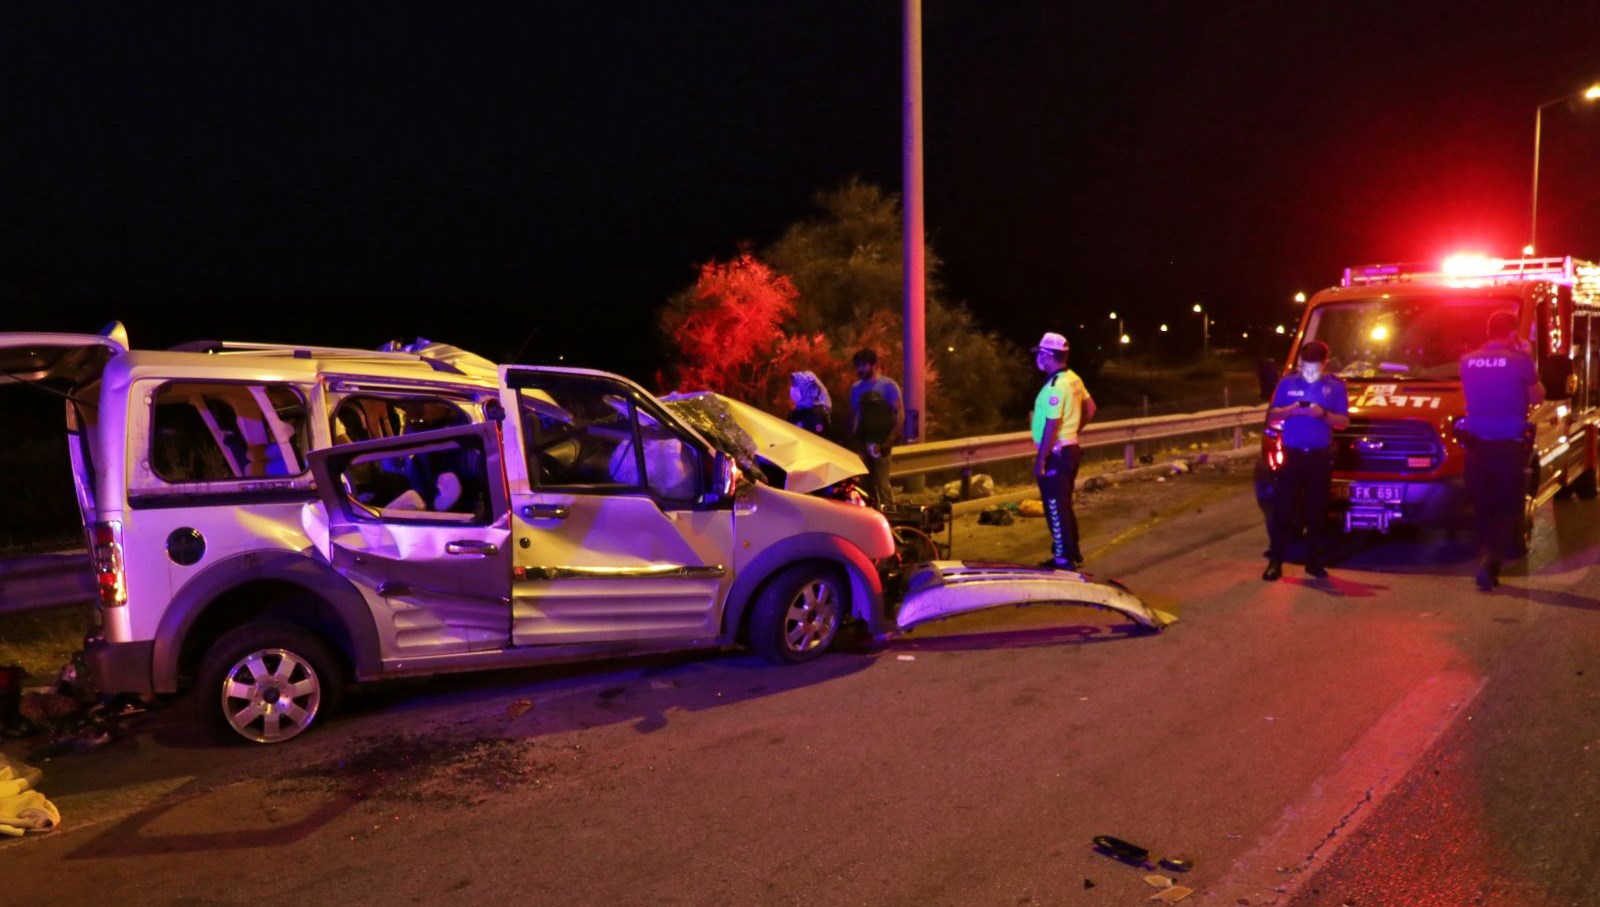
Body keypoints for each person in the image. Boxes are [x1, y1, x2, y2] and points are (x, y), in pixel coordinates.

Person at [1459, 310, 1541, 591]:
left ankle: (1484, 555)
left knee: (1483, 506)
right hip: (1509, 445)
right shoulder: (1519, 361)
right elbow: (1537, 395)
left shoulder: (1467, 361)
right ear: (1512, 333)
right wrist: (1527, 354)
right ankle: (1492, 561)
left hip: (1476, 446)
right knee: (1508, 507)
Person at [1263, 339, 1349, 581]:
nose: (1309, 373)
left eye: (1314, 369)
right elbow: (1271, 416)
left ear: (1324, 364)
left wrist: (1322, 414)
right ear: (1300, 363)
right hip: (1292, 457)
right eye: (1305, 367)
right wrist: (1288, 410)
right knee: (1283, 510)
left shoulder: (1335, 387)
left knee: (1317, 512)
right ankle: (1275, 561)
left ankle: (1314, 561)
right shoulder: (1287, 383)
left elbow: (1343, 422)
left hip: (1319, 459)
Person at [1031, 332, 1096, 570]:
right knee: (1063, 505)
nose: (1037, 358)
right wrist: (1074, 430)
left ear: (1048, 356)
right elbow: (1090, 407)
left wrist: (1041, 459)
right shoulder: (1074, 379)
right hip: (1070, 449)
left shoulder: (1055, 387)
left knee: (1055, 507)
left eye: (1040, 354)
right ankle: (1071, 552)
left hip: (1057, 454)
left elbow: (1052, 424)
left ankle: (1062, 559)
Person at [848, 348, 903, 505]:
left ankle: (890, 519)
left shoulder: (888, 386)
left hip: (881, 443)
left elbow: (900, 414)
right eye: (858, 365)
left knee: (882, 484)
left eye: (864, 365)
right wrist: (852, 440)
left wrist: (889, 441)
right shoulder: (856, 388)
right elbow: (853, 415)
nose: (860, 369)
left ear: (874, 365)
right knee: (865, 486)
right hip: (863, 443)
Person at [786, 371, 832, 436]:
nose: (792, 389)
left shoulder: (817, 414)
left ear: (806, 389)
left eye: (796, 386)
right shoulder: (798, 410)